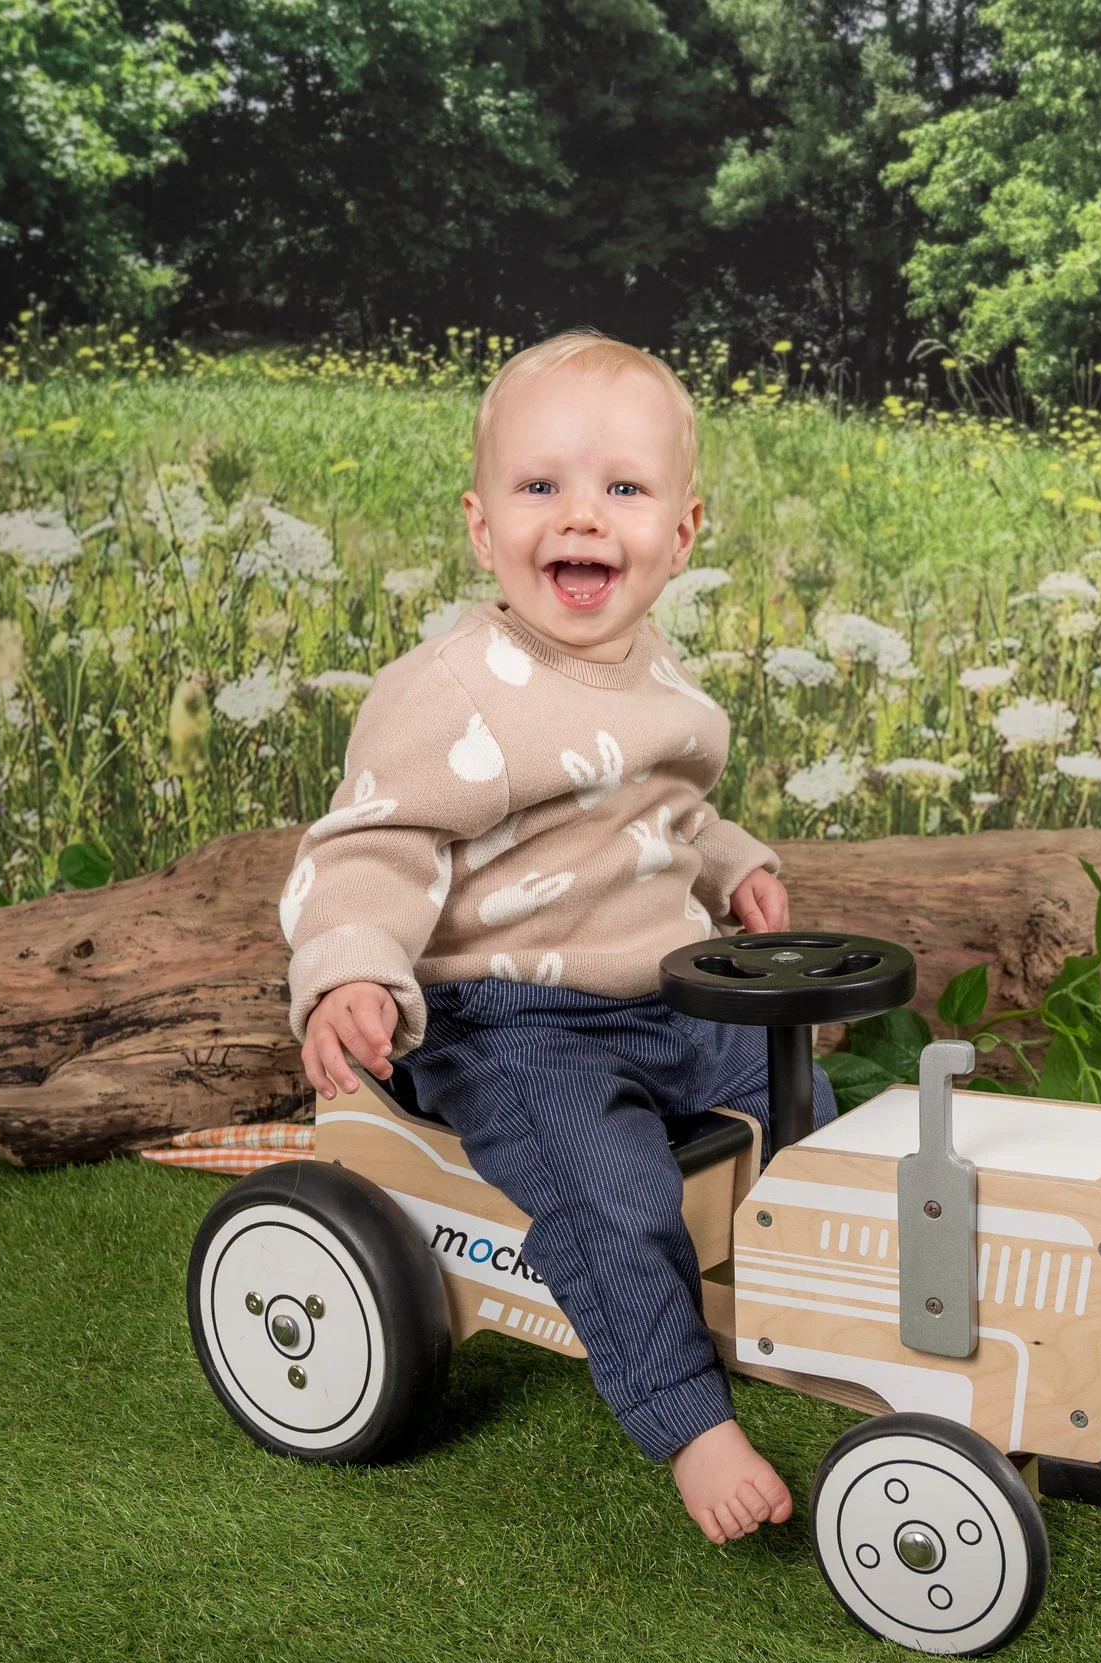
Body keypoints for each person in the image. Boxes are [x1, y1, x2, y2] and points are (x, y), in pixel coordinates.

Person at [279, 326, 830, 1547]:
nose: (581, 516)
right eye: (542, 487)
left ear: (681, 534)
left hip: (672, 996)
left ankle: (820, 1300)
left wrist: (735, 864)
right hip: (513, 1020)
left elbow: (664, 814)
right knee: (609, 1184)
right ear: (483, 527)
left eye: (622, 488)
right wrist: (350, 972)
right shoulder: (453, 687)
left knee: (804, 1095)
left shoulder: (658, 675)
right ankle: (686, 1416)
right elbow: (370, 848)